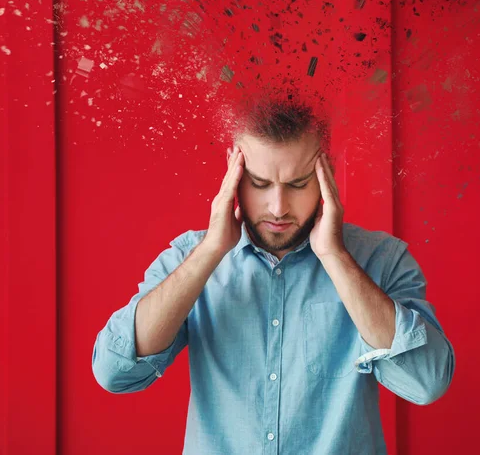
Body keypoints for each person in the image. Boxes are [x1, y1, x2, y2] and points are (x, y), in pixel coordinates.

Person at [91, 98, 455, 455]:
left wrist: (334, 256)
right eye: (259, 184)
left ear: (325, 173)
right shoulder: (191, 257)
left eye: (298, 184)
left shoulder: (382, 260)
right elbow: (114, 372)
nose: (278, 208)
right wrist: (210, 253)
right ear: (233, 173)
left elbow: (426, 383)